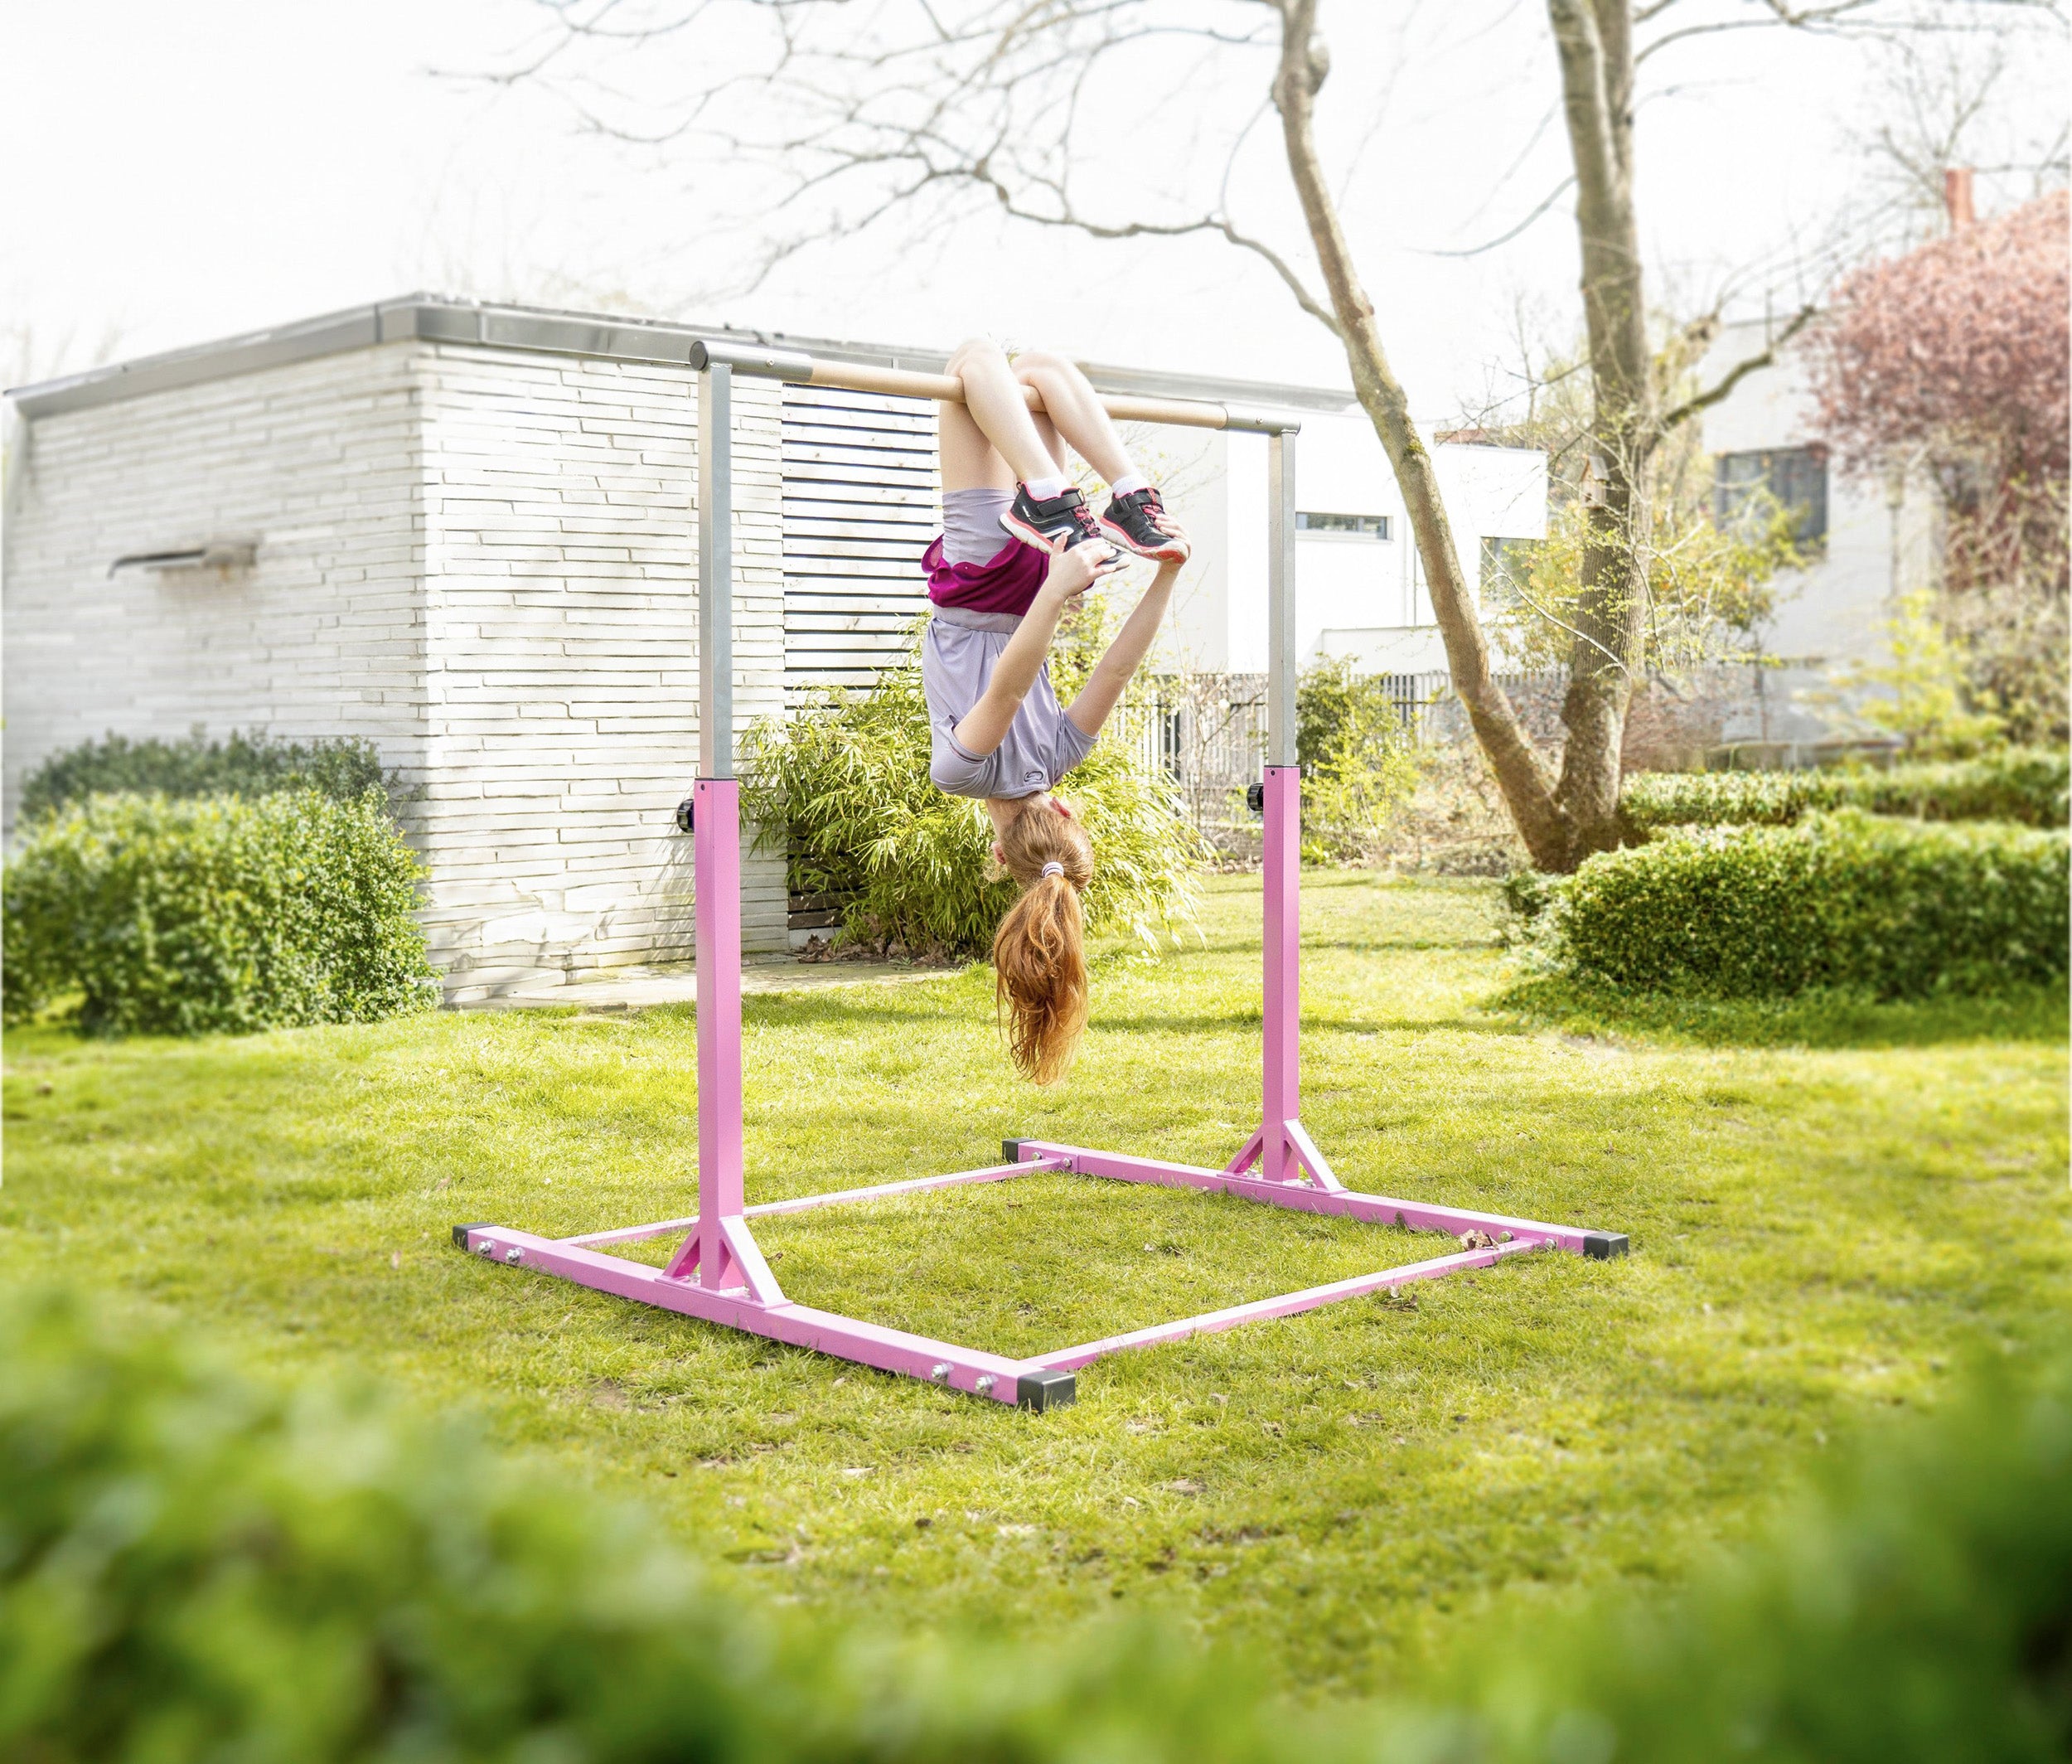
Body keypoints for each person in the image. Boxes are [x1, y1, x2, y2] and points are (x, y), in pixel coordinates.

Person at [921, 337, 1189, 1084]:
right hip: (990, 574)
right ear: (1000, 857)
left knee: (1034, 370)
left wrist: (1162, 577)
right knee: (975, 365)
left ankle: (1131, 495)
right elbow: (1003, 688)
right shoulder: (962, 773)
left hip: (1049, 564)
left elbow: (1117, 665)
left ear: (1067, 814)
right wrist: (1054, 586)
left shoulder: (1063, 758)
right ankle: (1081, 496)